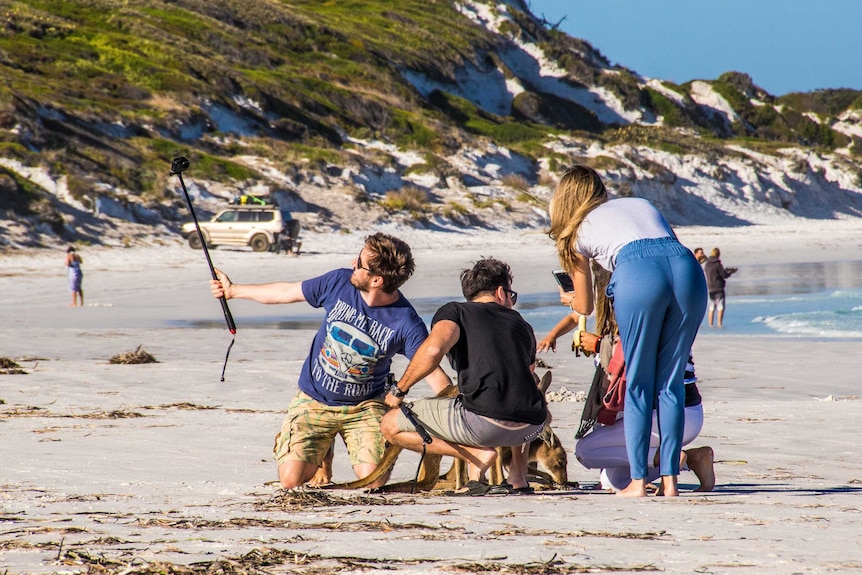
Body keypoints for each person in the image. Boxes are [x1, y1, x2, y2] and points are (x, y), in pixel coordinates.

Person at [209, 232, 450, 489]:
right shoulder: (338, 282)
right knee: (290, 482)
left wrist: (459, 421)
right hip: (314, 399)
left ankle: (332, 444)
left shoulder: (407, 322)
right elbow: (286, 292)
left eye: (359, 263)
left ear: (377, 280)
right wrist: (233, 290)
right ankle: (323, 452)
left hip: (364, 407)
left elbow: (433, 372)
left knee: (373, 483)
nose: (352, 263)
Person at [547, 165, 707, 497]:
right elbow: (667, 247)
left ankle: (638, 482)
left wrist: (571, 300)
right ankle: (671, 484)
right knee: (670, 384)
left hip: (639, 272)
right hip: (687, 268)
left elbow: (586, 306)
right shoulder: (638, 203)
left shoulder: (576, 233)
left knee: (639, 384)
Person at [538, 264, 714, 493]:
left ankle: (669, 459)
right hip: (689, 412)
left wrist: (600, 345)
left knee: (586, 451)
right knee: (613, 482)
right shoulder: (659, 309)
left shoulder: (633, 318)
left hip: (664, 416)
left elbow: (638, 359)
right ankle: (692, 457)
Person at [380, 258, 549, 495]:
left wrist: (400, 390)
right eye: (512, 294)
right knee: (518, 392)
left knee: (389, 425)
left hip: (484, 426)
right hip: (532, 426)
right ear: (501, 292)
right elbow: (527, 375)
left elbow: (433, 350)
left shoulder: (455, 311)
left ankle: (476, 455)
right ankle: (518, 478)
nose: (511, 300)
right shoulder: (522, 324)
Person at [704, 247, 737, 328]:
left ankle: (710, 324)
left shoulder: (707, 264)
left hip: (710, 287)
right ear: (718, 254)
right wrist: (730, 273)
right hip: (718, 287)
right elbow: (723, 275)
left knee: (711, 307)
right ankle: (719, 324)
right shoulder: (718, 264)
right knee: (720, 306)